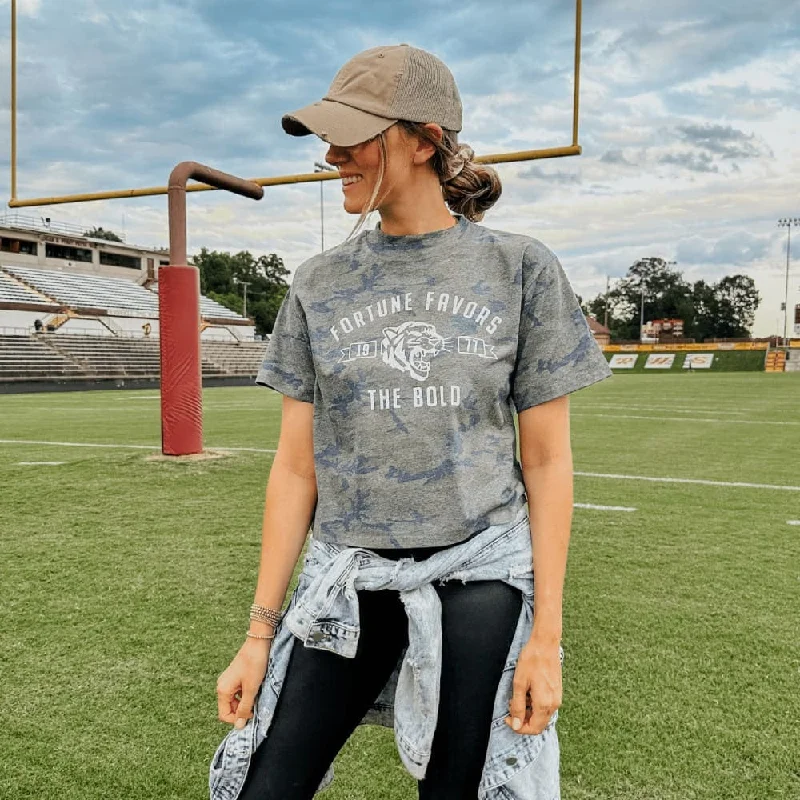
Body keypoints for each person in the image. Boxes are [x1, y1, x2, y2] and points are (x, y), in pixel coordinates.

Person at [213, 44, 613, 799]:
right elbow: (297, 468)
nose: (332, 155)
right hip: (349, 574)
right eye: (327, 137)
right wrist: (259, 634)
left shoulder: (519, 269)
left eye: (353, 135)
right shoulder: (318, 284)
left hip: (479, 573)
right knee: (267, 783)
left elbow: (549, 463)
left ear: (425, 139)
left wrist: (547, 640)